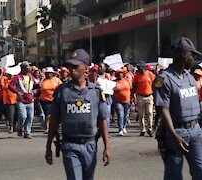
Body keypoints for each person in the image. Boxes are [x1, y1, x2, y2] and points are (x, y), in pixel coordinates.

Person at [45, 49, 110, 180]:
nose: (71, 69)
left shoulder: (96, 92)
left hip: (90, 144)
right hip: (70, 145)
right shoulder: (62, 91)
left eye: (76, 66)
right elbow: (54, 120)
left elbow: (102, 120)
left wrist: (107, 147)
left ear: (86, 68)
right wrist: (48, 147)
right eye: (70, 66)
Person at [154, 37, 202, 180]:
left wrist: (201, 126)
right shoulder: (163, 79)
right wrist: (174, 136)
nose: (194, 59)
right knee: (174, 175)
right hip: (176, 133)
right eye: (193, 55)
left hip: (195, 131)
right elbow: (163, 109)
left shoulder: (189, 77)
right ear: (185, 56)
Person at [9, 61, 38, 139]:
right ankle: (20, 128)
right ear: (23, 68)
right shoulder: (17, 77)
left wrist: (38, 86)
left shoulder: (31, 77)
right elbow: (10, 86)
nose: (29, 68)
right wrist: (17, 92)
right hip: (21, 100)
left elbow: (35, 85)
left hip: (30, 99)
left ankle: (27, 132)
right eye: (28, 66)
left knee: (30, 117)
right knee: (23, 116)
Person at [132, 61, 155, 137]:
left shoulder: (150, 74)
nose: (138, 68)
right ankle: (142, 129)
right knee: (141, 114)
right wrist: (132, 95)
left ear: (144, 67)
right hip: (140, 97)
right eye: (137, 67)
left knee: (150, 113)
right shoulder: (136, 76)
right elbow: (134, 86)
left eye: (139, 67)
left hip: (149, 96)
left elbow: (154, 84)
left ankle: (150, 129)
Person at [39, 67, 62, 133]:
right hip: (45, 100)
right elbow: (39, 87)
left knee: (55, 114)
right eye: (47, 73)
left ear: (53, 74)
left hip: (55, 100)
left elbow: (61, 87)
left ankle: (56, 126)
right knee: (48, 114)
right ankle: (48, 128)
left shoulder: (57, 80)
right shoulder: (43, 80)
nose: (48, 74)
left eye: (50, 73)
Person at [113, 69, 132, 136]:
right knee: (120, 114)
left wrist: (133, 97)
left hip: (127, 100)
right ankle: (120, 129)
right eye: (118, 74)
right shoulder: (114, 82)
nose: (120, 75)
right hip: (118, 101)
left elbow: (131, 89)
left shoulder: (127, 81)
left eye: (121, 73)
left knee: (126, 115)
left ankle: (124, 127)